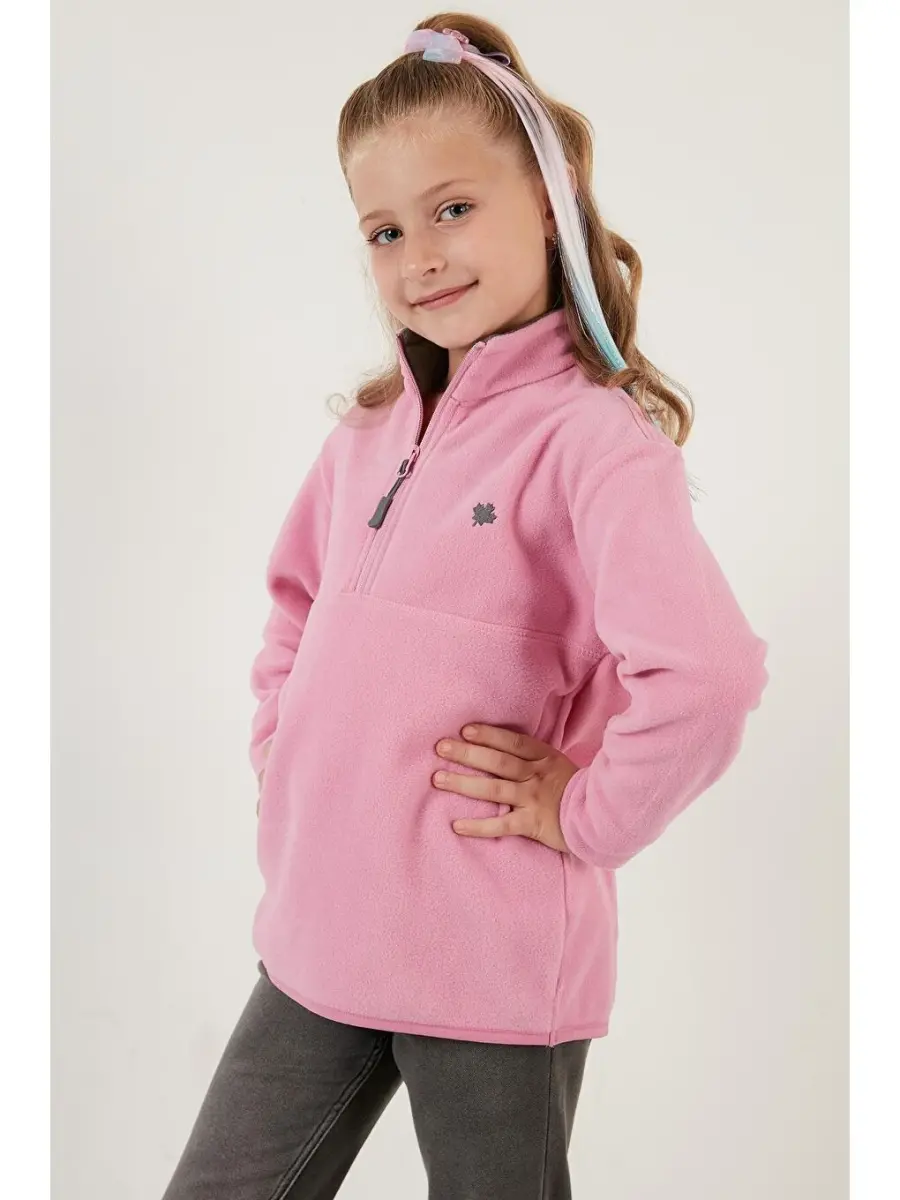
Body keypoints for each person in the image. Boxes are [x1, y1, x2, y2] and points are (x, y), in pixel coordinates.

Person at [162, 13, 769, 1199]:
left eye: (453, 209)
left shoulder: (595, 443)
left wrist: (587, 813)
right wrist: (285, 750)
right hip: (319, 932)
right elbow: (293, 609)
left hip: (490, 957)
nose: (421, 256)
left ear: (548, 199)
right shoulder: (365, 434)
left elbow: (709, 674)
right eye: (385, 230)